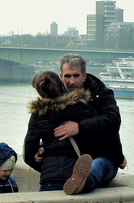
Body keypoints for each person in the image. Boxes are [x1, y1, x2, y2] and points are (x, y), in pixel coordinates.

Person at [53, 54, 124, 194]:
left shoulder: (102, 94)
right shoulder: (55, 98)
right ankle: (78, 180)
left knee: (98, 164)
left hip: (103, 157)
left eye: (76, 76)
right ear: (61, 76)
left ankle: (83, 182)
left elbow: (113, 121)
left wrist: (79, 127)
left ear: (84, 76)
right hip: (72, 160)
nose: (71, 81)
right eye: (67, 76)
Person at [25, 71, 92, 193]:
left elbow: (29, 153)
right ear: (61, 85)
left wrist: (46, 165)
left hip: (49, 179)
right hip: (75, 175)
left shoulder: (38, 114)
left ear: (40, 92)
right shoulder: (80, 106)